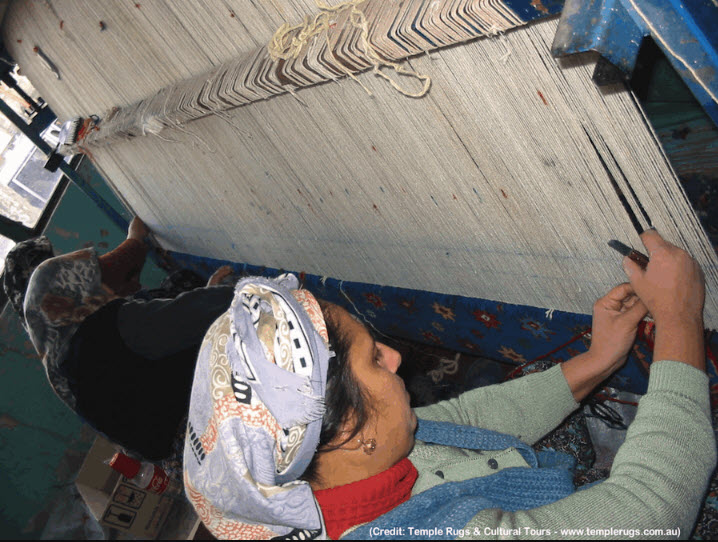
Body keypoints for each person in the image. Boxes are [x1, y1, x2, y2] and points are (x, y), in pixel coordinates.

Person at [183, 229, 715, 539]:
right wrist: (679, 317)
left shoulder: (332, 464)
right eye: (374, 358)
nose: (394, 356)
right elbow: (649, 510)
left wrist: (600, 358)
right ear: (346, 426)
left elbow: (462, 423)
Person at [3, 217, 235, 461]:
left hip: (191, 462)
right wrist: (221, 294)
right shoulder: (100, 334)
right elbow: (200, 314)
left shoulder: (64, 365)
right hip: (216, 435)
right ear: (70, 288)